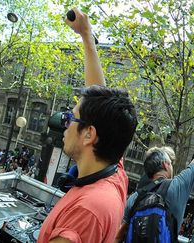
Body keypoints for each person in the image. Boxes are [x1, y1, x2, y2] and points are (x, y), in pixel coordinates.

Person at [38, 8, 138, 243]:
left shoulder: (86, 213)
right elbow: (99, 105)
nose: (66, 125)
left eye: (71, 119)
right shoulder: (113, 173)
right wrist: (86, 36)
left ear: (89, 135)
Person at [115, 146, 194, 242]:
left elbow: (118, 236)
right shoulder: (177, 187)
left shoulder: (134, 198)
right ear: (165, 165)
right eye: (170, 163)